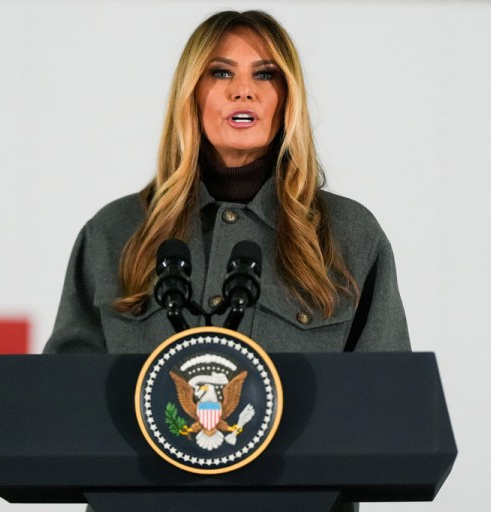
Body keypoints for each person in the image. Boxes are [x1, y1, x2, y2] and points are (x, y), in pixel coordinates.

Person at [45, 10, 410, 511]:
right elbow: (62, 411)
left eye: (265, 74)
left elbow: (388, 412)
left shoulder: (349, 236)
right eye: (221, 73)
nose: (244, 91)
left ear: (288, 98)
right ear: (191, 94)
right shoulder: (114, 233)